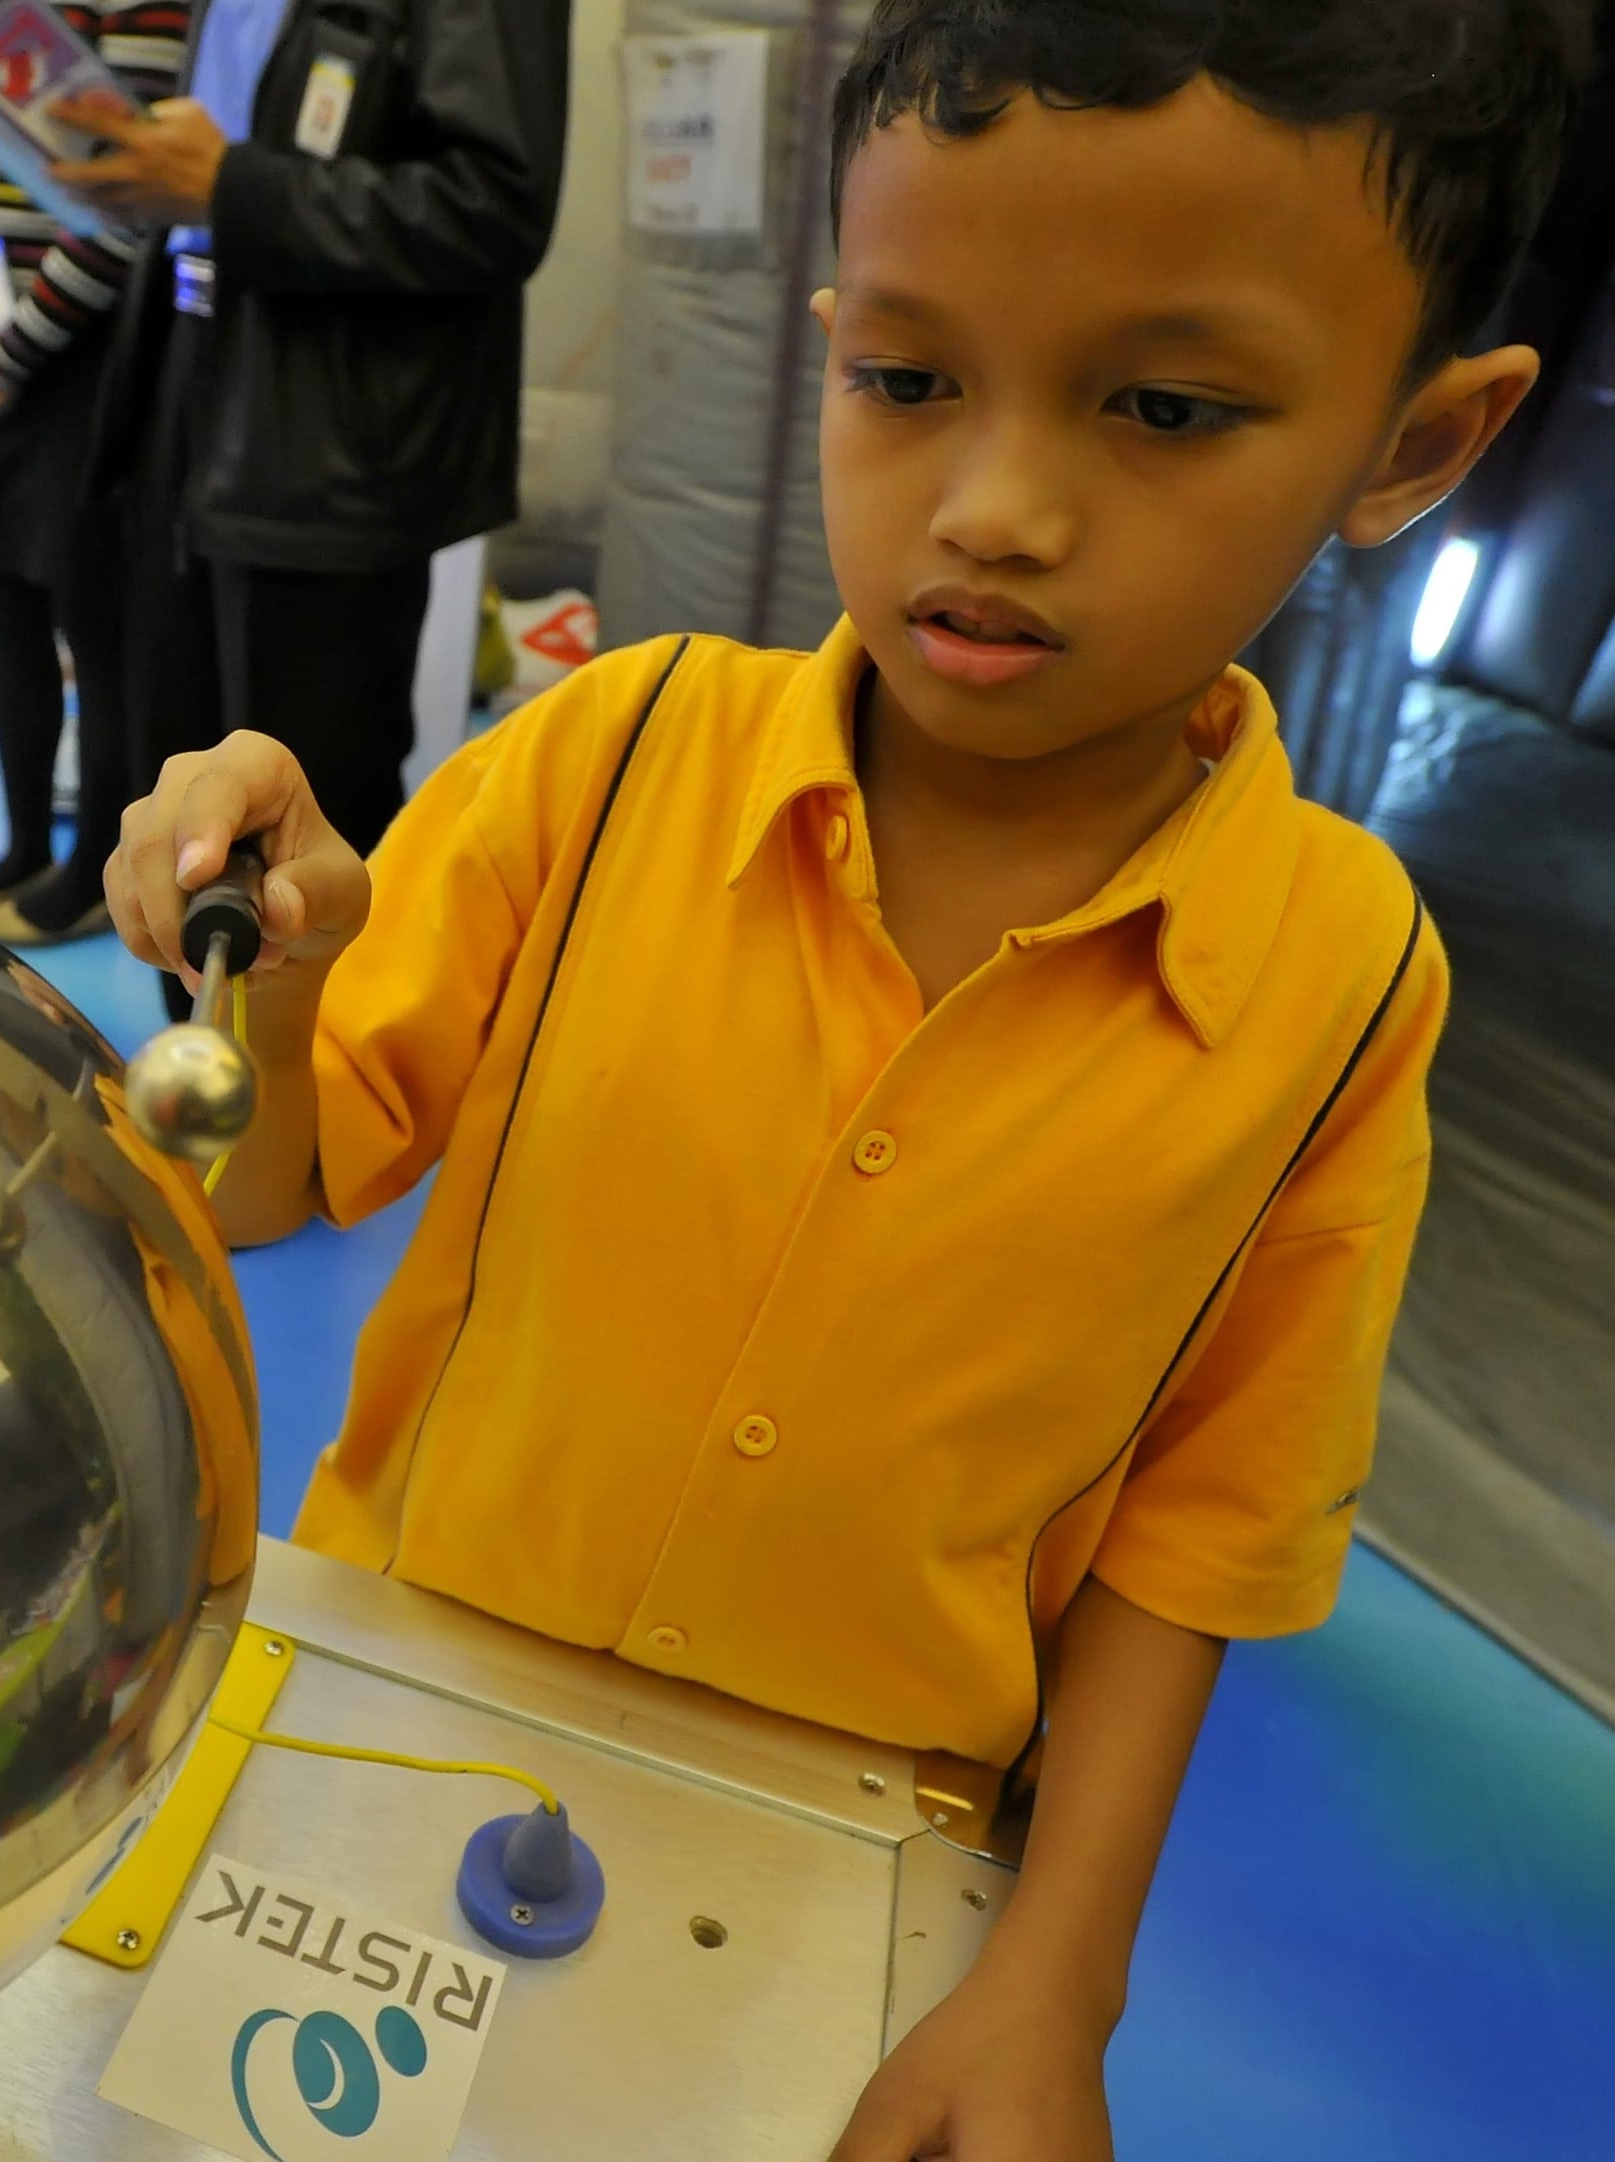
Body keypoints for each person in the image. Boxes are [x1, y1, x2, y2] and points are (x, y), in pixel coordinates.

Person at [101, 2, 1580, 2154]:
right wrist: (278, 964)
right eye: (902, 378)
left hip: (847, 1855)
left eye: (1162, 406)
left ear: (1416, 444)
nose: (988, 510)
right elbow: (255, 1182)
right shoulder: (605, 761)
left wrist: (1055, 1991)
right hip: (387, 1728)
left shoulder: (1341, 979)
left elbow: (1205, 1526)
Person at [52, 0, 568, 1005]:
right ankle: (199, 1100)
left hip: (330, 452)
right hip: (188, 387)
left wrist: (233, 187)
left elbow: (495, 204)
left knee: (299, 850)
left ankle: (305, 1140)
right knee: (181, 802)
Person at [0, 0, 191, 943]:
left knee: (95, 629)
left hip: (88, 349)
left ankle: (98, 872)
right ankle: (26, 845)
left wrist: (14, 348)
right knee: (6, 607)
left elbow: (132, 194)